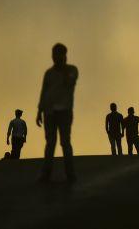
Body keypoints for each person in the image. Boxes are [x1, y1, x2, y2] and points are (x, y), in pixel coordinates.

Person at [36, 43, 79, 183]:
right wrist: (39, 110)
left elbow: (69, 83)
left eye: (58, 54)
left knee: (65, 143)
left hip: (65, 112)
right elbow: (44, 92)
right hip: (49, 112)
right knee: (50, 144)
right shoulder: (49, 73)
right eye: (54, 54)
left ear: (64, 55)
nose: (55, 57)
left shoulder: (72, 70)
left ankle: (70, 174)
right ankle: (46, 174)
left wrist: (64, 68)